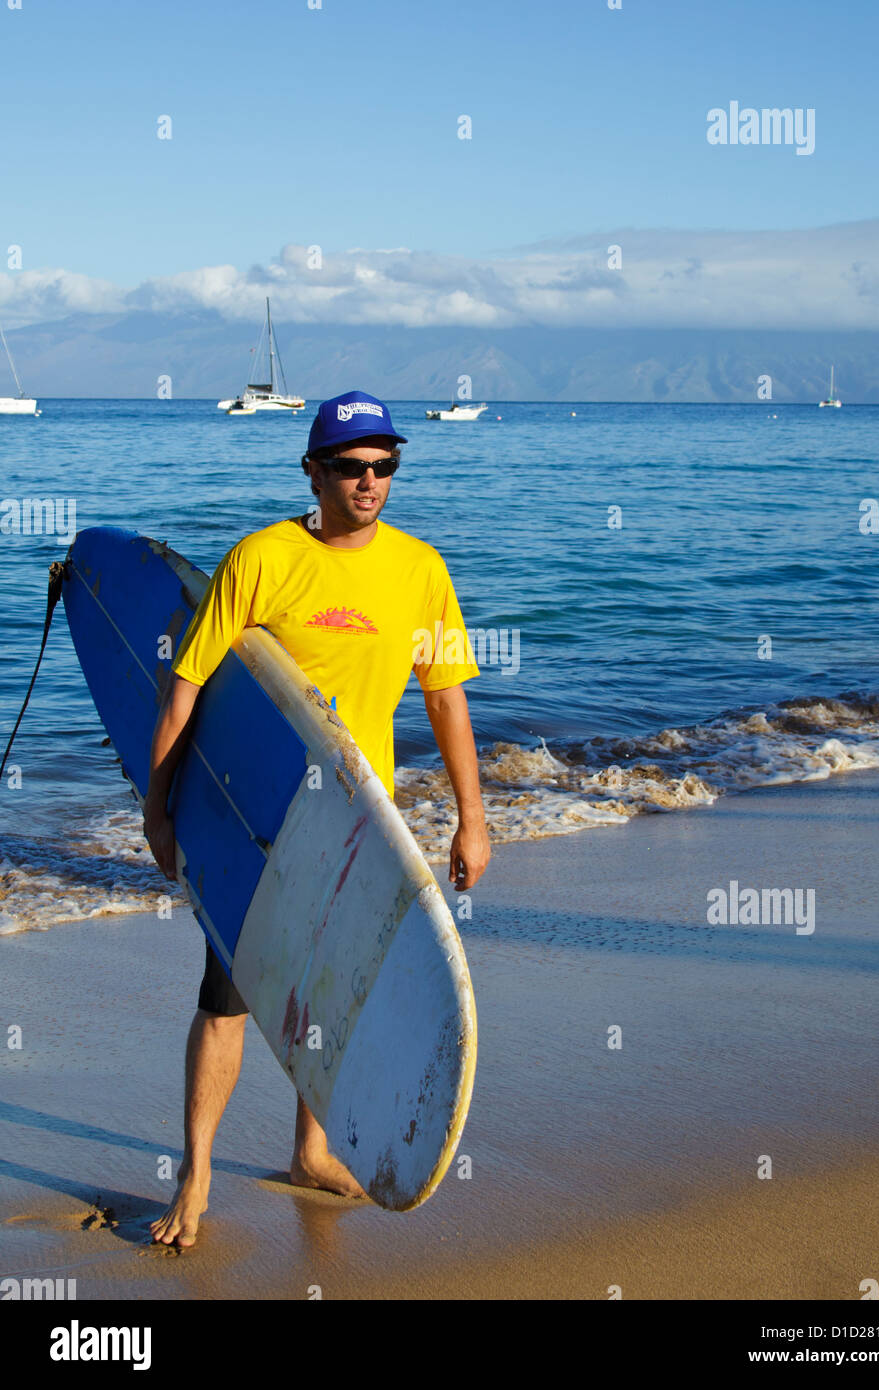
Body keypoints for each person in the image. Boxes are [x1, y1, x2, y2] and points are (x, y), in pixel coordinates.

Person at [143, 390, 490, 1247]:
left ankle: (310, 1149)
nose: (368, 482)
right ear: (313, 470)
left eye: (383, 465)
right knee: (227, 996)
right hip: (259, 819)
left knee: (333, 983)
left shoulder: (420, 570)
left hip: (358, 820)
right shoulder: (260, 558)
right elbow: (187, 682)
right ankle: (196, 1173)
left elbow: (444, 699)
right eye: (349, 466)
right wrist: (159, 805)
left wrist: (470, 817)